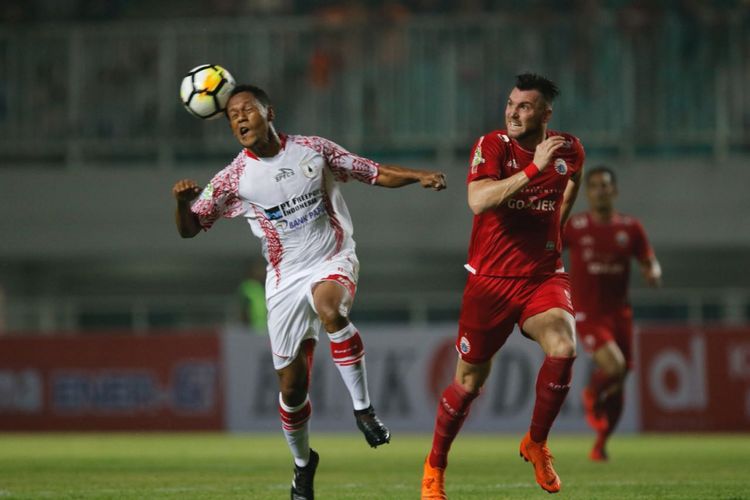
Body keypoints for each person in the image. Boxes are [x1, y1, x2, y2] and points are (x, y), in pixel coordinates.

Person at [172, 84, 447, 500]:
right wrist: (182, 203)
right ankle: (303, 465)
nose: (241, 119)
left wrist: (418, 176)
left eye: (248, 110)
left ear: (270, 111)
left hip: (332, 258)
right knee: (292, 387)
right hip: (283, 278)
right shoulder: (233, 178)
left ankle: (364, 410)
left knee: (331, 309)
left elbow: (371, 171)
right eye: (233, 116)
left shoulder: (313, 150)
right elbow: (190, 228)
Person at [421, 73, 585, 498]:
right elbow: (478, 200)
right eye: (510, 103)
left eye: (524, 106)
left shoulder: (570, 150)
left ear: (546, 113)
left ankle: (536, 442)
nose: (513, 111)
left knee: (564, 347)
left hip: (542, 277)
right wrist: (534, 169)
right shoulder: (491, 146)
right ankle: (435, 466)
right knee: (468, 385)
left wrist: (556, 233)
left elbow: (569, 188)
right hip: (490, 283)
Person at [563, 165, 661, 461]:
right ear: (588, 193)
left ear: (614, 191)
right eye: (594, 186)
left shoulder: (630, 228)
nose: (600, 190)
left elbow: (649, 260)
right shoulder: (576, 227)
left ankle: (602, 441)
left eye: (605, 185)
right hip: (588, 314)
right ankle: (592, 393)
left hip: (620, 315)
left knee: (620, 380)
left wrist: (653, 272)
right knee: (615, 368)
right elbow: (547, 248)